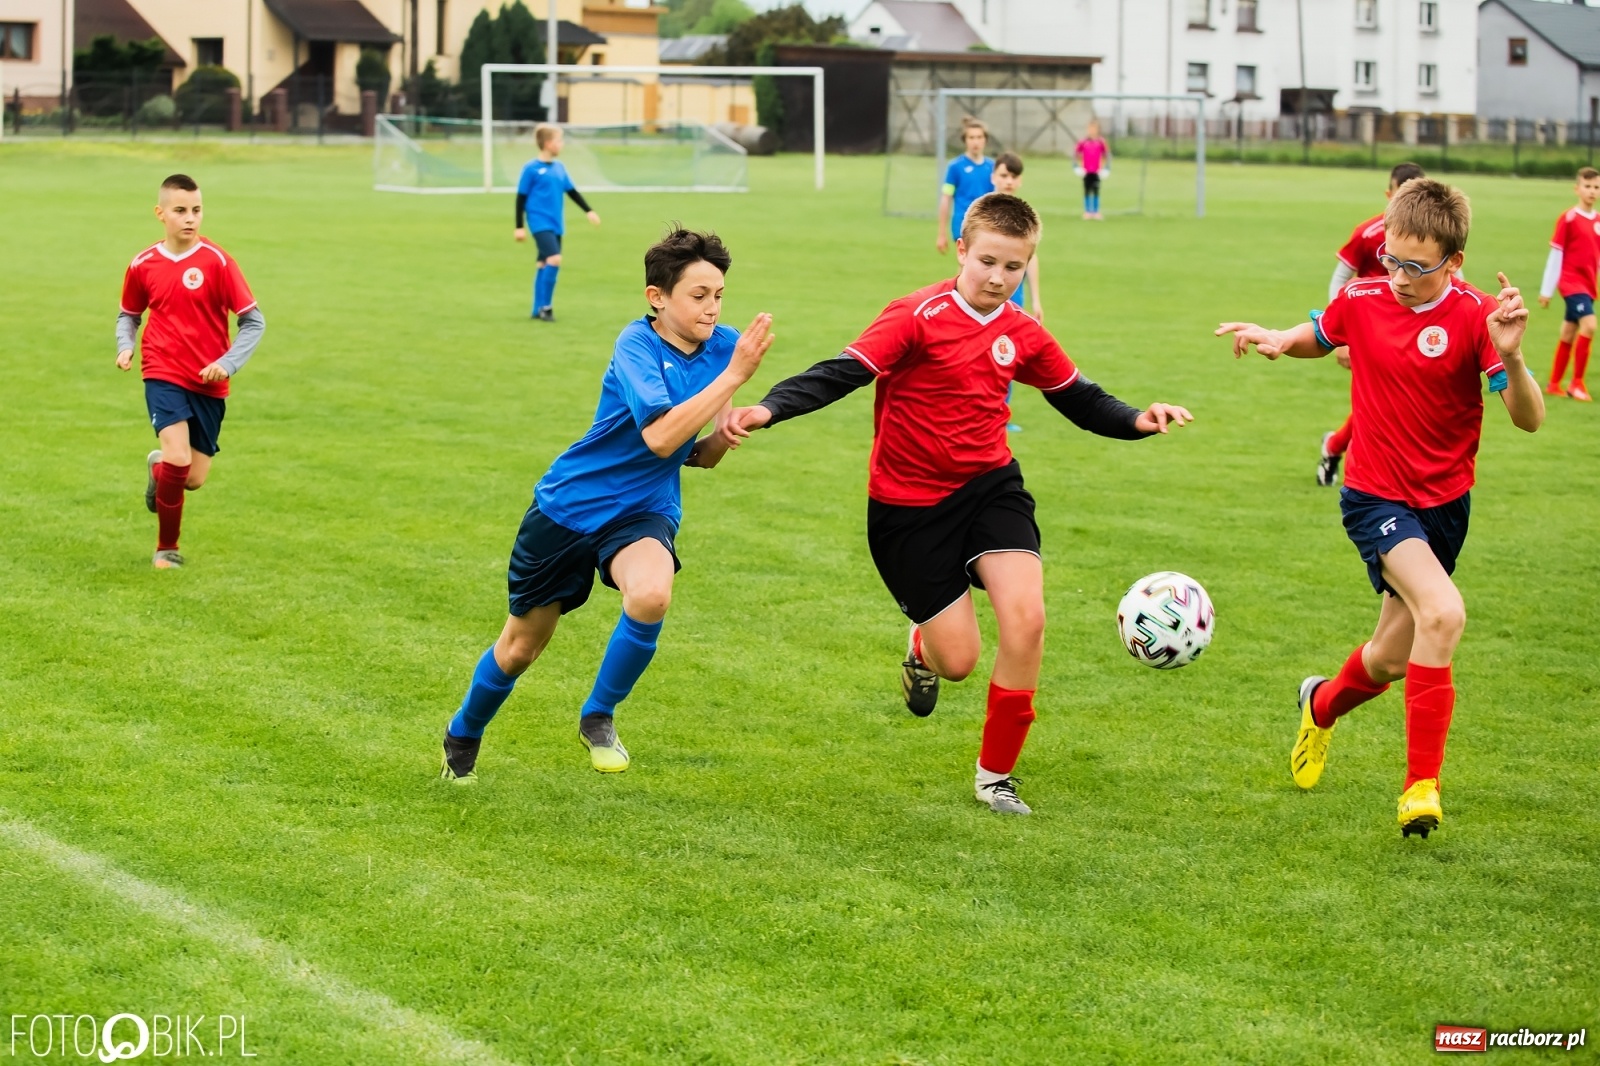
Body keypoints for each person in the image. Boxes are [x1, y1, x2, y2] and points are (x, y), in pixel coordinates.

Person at [721, 194, 1191, 816]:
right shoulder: (915, 315)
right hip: (908, 510)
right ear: (962, 250)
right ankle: (924, 648)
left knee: (1027, 618)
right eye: (988, 261)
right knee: (960, 661)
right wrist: (769, 408)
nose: (998, 278)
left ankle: (995, 777)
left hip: (990, 489)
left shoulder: (1021, 332)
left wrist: (1138, 419)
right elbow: (842, 371)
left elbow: (1077, 395)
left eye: (1014, 267)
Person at [1217, 178, 1543, 838]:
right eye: (1391, 259)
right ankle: (1420, 789)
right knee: (1444, 613)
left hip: (1446, 505)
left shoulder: (1478, 317)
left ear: (1455, 263)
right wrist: (1279, 338)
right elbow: (1322, 329)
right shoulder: (1366, 295)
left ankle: (1322, 703)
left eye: (1416, 267)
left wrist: (1512, 355)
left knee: (1392, 659)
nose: (1397, 277)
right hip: (1375, 498)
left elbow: (1528, 419)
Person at [440, 229, 773, 784]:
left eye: (718, 294)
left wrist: (729, 431)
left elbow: (700, 456)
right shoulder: (636, 345)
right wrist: (737, 376)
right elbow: (662, 439)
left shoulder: (724, 346)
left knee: (651, 594)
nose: (712, 308)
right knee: (521, 647)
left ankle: (598, 715)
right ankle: (464, 731)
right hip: (570, 506)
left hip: (643, 509)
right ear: (657, 297)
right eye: (698, 295)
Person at [115, 173, 265, 570]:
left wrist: (226, 363)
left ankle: (158, 469)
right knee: (179, 459)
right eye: (180, 210)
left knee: (192, 478)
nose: (190, 218)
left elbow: (254, 322)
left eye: (196, 210)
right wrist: (125, 346)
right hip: (162, 370)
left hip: (209, 381)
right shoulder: (143, 263)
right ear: (160, 213)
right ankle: (167, 549)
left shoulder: (218, 262)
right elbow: (129, 315)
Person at [1317, 162, 1428, 487]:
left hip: (1414, 333)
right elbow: (1339, 279)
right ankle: (1374, 476)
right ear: (1389, 194)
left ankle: (1335, 446)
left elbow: (1452, 280)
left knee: (1398, 404)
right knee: (1384, 405)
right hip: (1370, 335)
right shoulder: (1368, 233)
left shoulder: (1430, 237)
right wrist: (1341, 336)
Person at [514, 124, 601, 322]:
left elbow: (571, 191)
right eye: (559, 140)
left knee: (543, 263)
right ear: (547, 143)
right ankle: (546, 307)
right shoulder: (531, 169)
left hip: (556, 223)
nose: (561, 145)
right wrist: (519, 226)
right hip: (538, 221)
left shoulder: (559, 168)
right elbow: (520, 197)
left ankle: (537, 309)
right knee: (555, 259)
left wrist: (589, 210)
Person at [990, 151, 1043, 432]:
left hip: (1014, 295)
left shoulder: (1024, 217)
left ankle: (1001, 414)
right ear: (994, 177)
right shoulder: (983, 212)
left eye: (1013, 177)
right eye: (1003, 175)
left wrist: (1035, 298)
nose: (1008, 181)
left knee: (1006, 352)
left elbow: (1030, 259)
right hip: (984, 293)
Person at [1537, 165, 1600, 402]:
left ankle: (1554, 384)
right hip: (1572, 284)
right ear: (1577, 189)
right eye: (1587, 186)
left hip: (1588, 286)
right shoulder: (1569, 218)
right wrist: (1546, 291)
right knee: (1590, 325)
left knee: (1568, 331)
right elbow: (1556, 255)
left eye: (1596, 187)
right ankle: (1577, 384)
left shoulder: (1598, 221)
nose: (1592, 191)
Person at [935, 117, 994, 255]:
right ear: (965, 140)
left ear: (985, 139)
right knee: (968, 264)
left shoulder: (992, 167)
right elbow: (946, 198)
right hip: (963, 223)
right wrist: (941, 233)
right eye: (971, 137)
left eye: (979, 137)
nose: (976, 141)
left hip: (986, 224)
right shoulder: (955, 167)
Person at [1074, 121, 1110, 221]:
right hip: (1086, 171)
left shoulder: (1101, 142)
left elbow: (1107, 155)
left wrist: (1106, 168)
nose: (1092, 131)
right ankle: (1087, 211)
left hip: (1097, 171)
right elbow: (1075, 154)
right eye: (1090, 129)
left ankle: (1095, 211)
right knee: (1087, 190)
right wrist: (1076, 167)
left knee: (1096, 190)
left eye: (1094, 129)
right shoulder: (1083, 142)